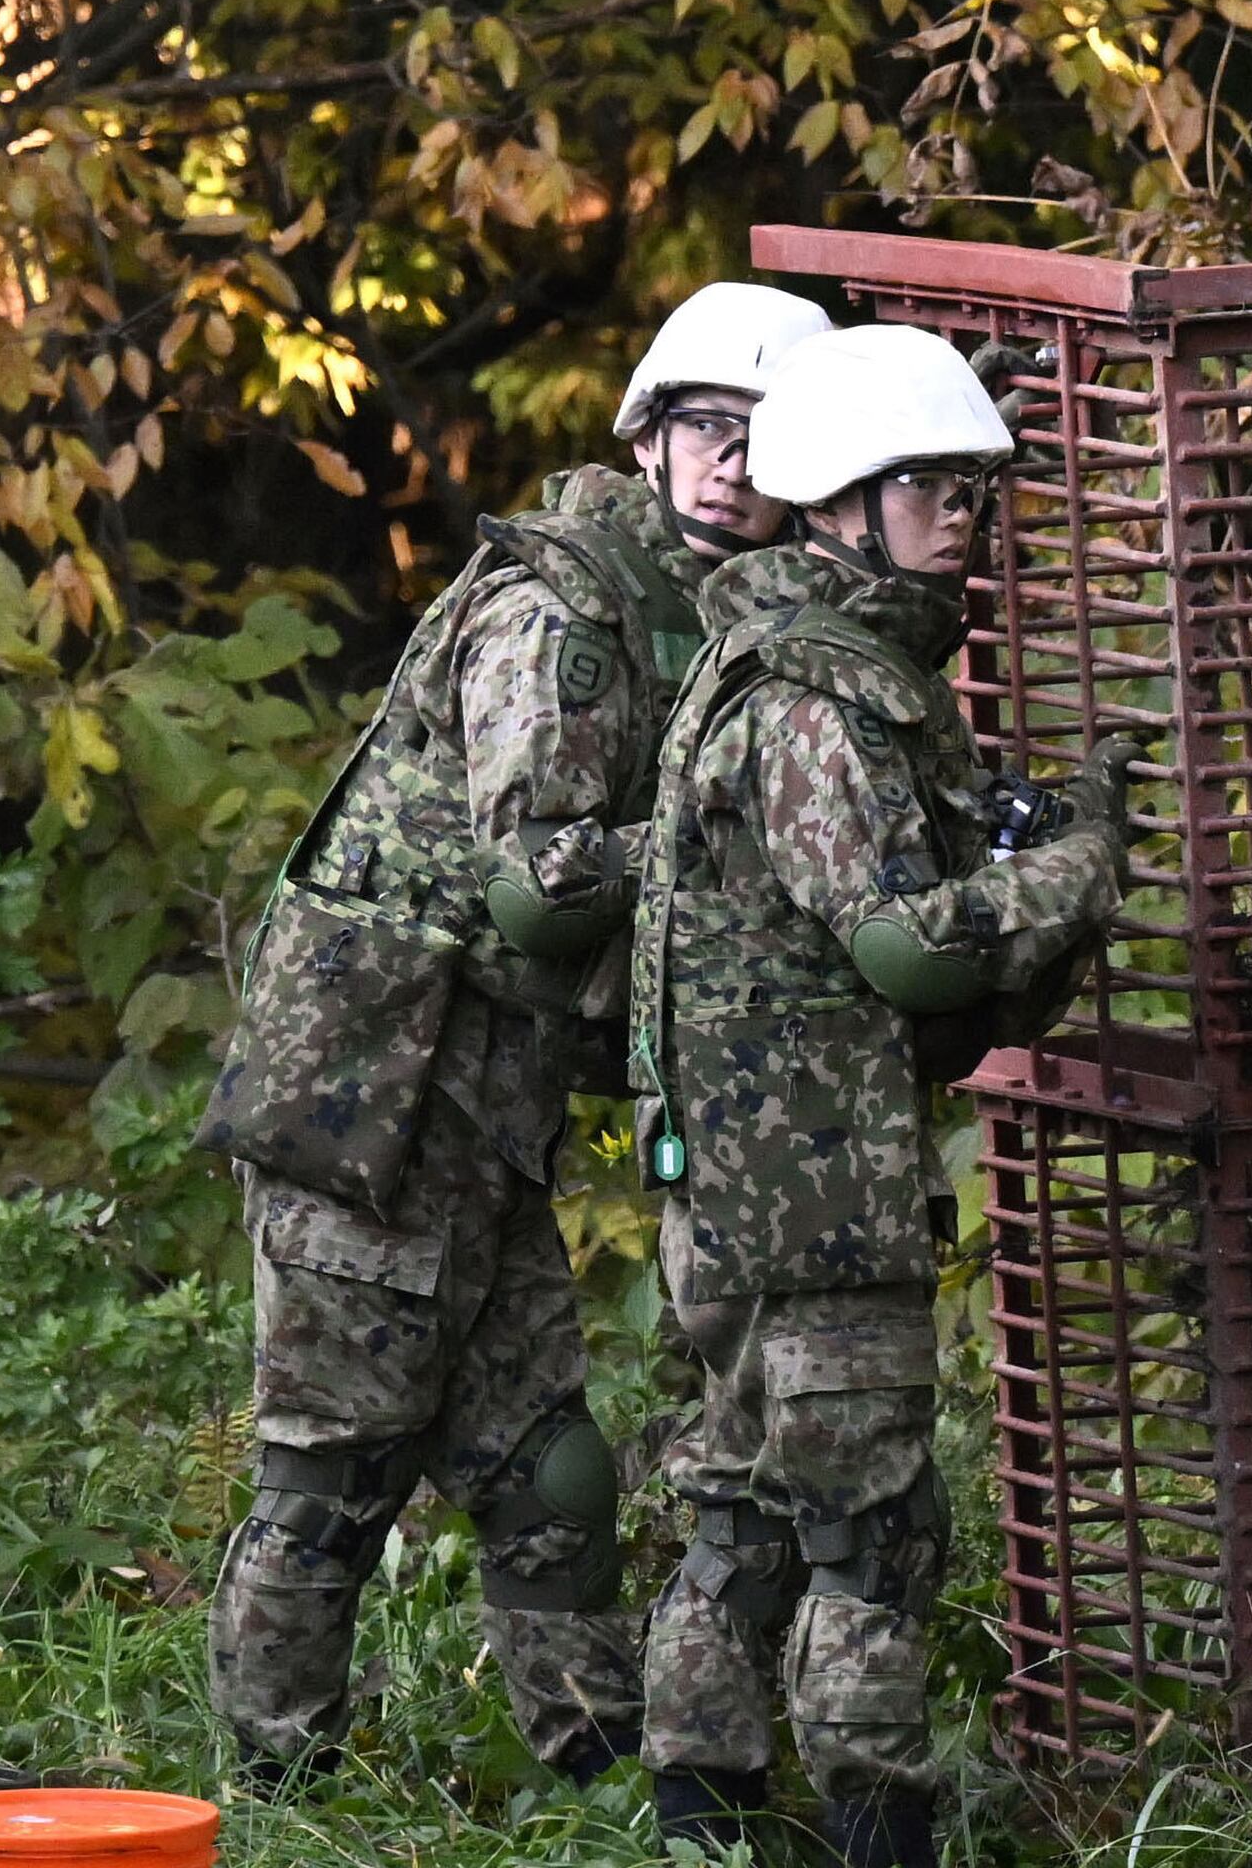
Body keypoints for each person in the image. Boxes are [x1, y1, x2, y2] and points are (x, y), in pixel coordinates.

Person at [198, 278, 829, 1788]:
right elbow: (540, 886)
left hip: (482, 1094)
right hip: (379, 1087)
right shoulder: (569, 610)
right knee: (336, 1462)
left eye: (767, 440)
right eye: (708, 431)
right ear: (653, 437)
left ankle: (594, 1771)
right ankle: (274, 1790)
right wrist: (727, 848)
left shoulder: (707, 614)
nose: (734, 465)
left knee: (546, 1465)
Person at [629, 322, 1131, 1868]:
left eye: (974, 490)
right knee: (863, 1532)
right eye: (932, 490)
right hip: (807, 1193)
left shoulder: (801, 658)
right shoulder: (819, 698)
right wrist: (1076, 862)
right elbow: (906, 952)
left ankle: (702, 1813)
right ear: (843, 505)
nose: (963, 518)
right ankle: (872, 1827)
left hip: (747, 1176)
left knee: (749, 1502)